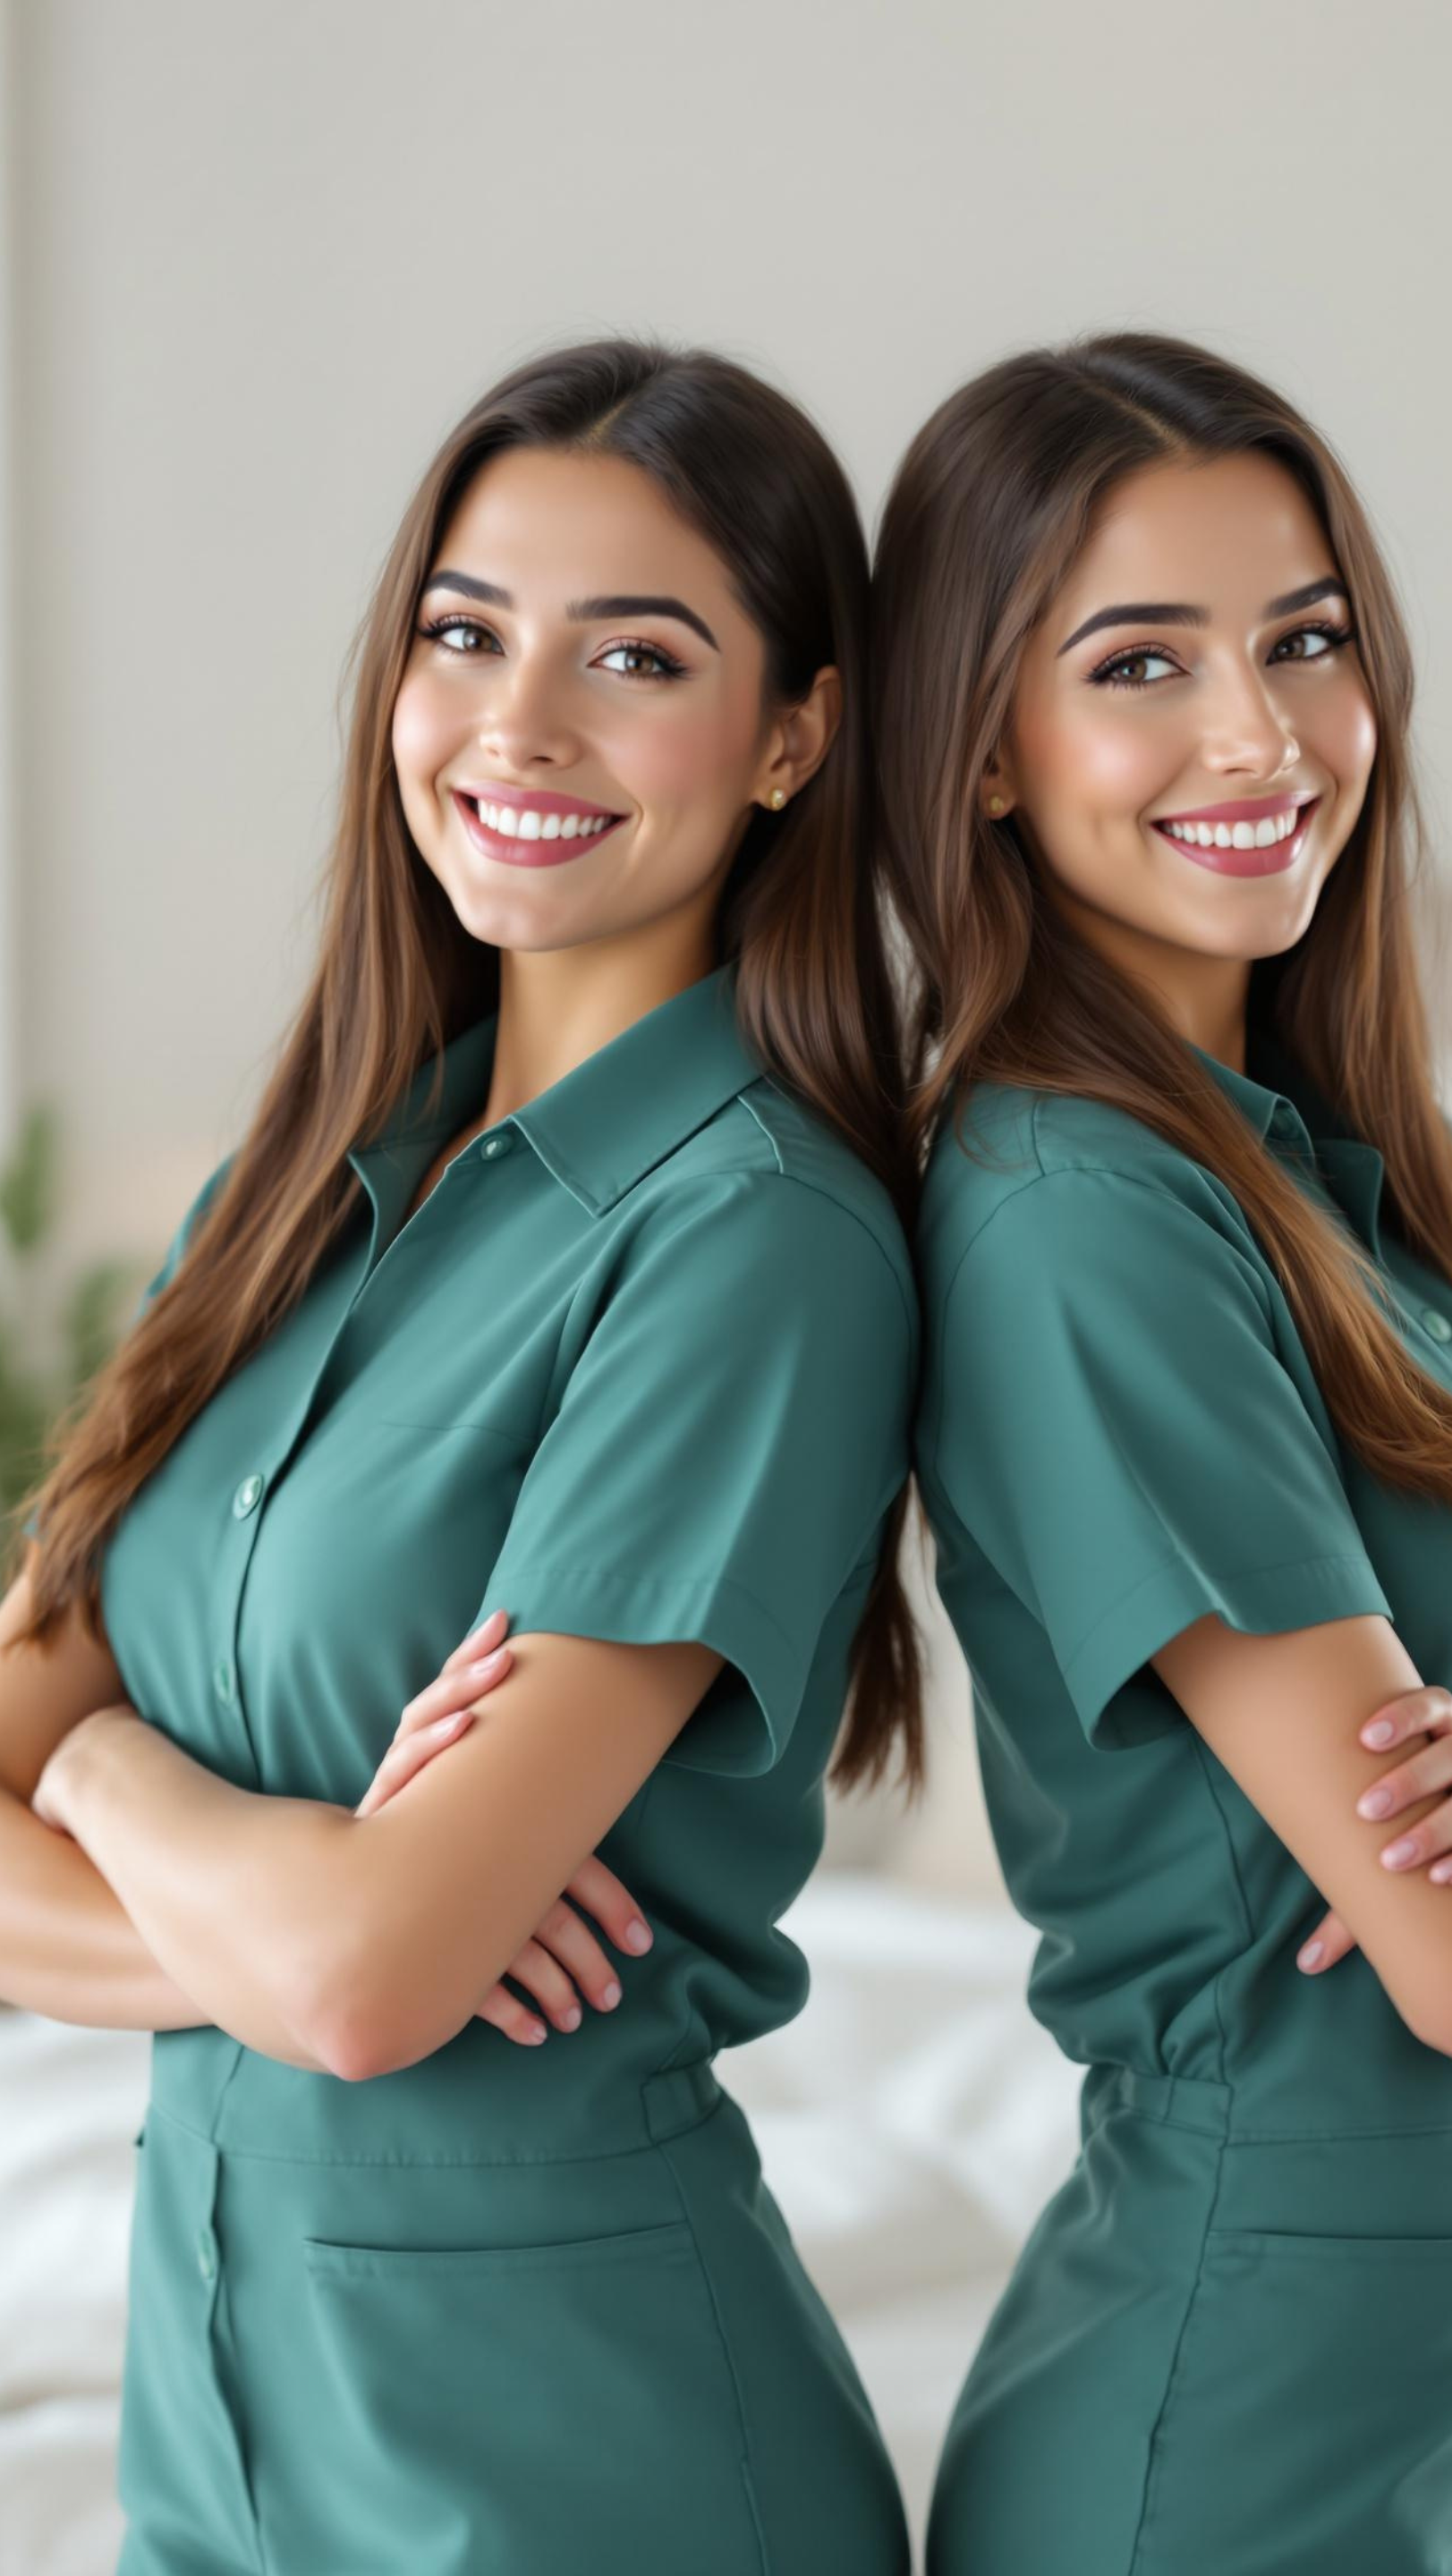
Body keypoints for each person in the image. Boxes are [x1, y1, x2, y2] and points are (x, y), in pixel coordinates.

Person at [3, 336, 922, 2575]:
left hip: (577, 2471)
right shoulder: (294, 1190)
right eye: (466, 632)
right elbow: (336, 1968)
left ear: (794, 736)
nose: (520, 724)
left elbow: (363, 1983)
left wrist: (107, 1778)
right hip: (216, 2437)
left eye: (637, 656)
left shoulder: (760, 1240)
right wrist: (292, 1909)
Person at [870, 328, 1452, 2576]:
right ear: (982, 748)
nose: (1259, 734)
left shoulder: (1377, 1181)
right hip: (1250, 2414)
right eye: (1140, 663)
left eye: (1306, 640)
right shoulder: (1072, 1217)